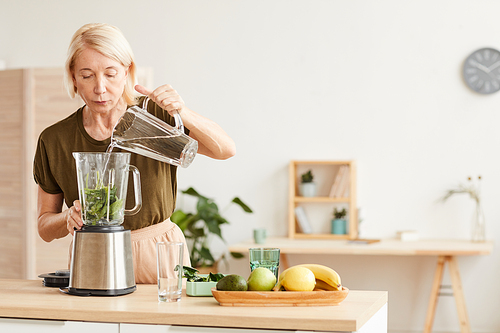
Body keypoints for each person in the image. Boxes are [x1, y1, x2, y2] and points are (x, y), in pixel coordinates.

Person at [33, 23, 236, 284]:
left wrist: (181, 111)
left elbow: (225, 149)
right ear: (73, 76)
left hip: (160, 253)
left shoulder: (155, 116)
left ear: (127, 72)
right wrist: (66, 218)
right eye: (87, 75)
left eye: (111, 73)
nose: (100, 88)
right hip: (93, 255)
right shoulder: (54, 140)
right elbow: (45, 227)